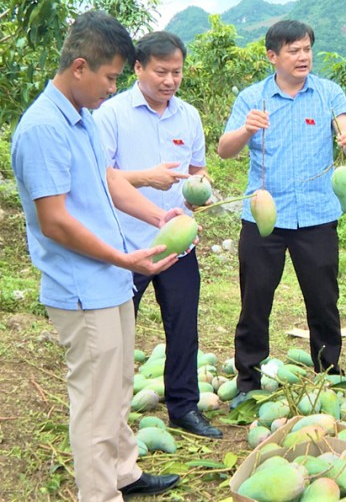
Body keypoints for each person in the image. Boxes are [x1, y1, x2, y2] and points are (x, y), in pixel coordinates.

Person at [11, 11, 181, 500]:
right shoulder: (44, 128)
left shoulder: (81, 117)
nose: (112, 88)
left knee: (118, 383)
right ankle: (99, 494)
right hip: (82, 287)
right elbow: (55, 221)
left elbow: (107, 180)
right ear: (80, 67)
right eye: (110, 78)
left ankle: (123, 473)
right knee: (94, 401)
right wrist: (123, 259)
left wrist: (157, 216)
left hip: (109, 279)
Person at [217, 19, 346, 409]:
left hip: (316, 215)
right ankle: (248, 380)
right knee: (255, 301)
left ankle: (329, 376)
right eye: (293, 50)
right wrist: (246, 130)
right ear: (272, 56)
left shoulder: (328, 93)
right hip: (264, 218)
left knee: (323, 301)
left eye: (307, 49)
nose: (303, 57)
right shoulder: (253, 98)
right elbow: (224, 150)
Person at [94, 31, 222, 439]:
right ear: (138, 67)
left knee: (183, 327)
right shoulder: (110, 114)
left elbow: (198, 171)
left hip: (178, 244)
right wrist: (147, 177)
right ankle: (107, 417)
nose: (170, 81)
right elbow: (100, 176)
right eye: (161, 72)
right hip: (124, 244)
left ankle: (184, 407)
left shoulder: (189, 116)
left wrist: (202, 189)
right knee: (115, 333)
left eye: (177, 72)